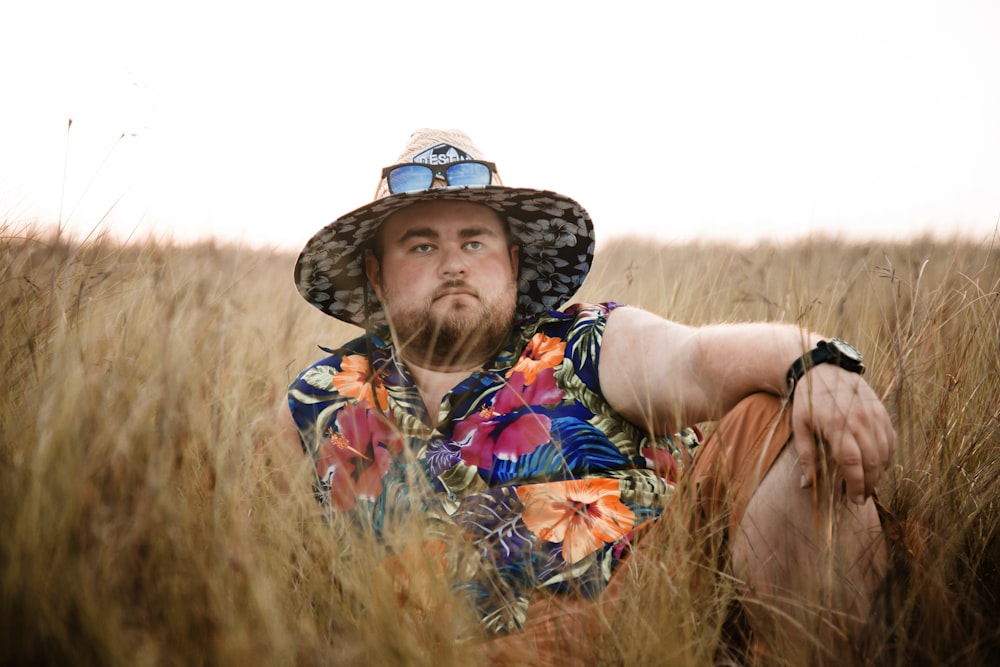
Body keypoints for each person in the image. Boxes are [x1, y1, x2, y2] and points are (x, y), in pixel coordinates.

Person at [287, 129, 893, 664]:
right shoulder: (319, 401)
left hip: (639, 621)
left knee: (773, 417)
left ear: (513, 262)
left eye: (475, 242)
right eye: (421, 246)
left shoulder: (586, 339)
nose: (453, 264)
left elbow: (695, 361)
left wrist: (816, 362)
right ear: (375, 272)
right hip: (436, 653)